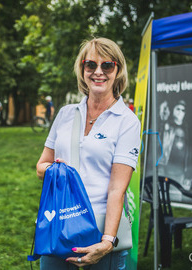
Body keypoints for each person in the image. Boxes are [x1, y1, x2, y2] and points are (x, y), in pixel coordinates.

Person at [36, 37, 140, 269]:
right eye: (90, 65)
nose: (98, 72)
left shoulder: (127, 121)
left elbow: (117, 189)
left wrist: (107, 241)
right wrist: (57, 170)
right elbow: (41, 166)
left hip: (101, 229)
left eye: (107, 65)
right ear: (82, 69)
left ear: (118, 70)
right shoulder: (65, 114)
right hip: (60, 227)